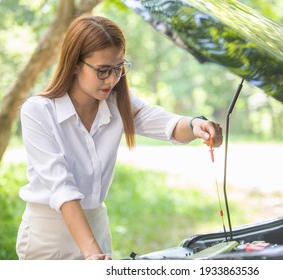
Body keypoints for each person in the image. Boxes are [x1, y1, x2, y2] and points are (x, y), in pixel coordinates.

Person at [15, 14, 223, 260]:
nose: (113, 79)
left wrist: (197, 125)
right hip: (48, 239)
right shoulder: (38, 111)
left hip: (96, 231)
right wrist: (92, 252)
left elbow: (166, 123)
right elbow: (62, 188)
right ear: (74, 65)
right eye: (103, 70)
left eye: (118, 68)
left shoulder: (116, 103)